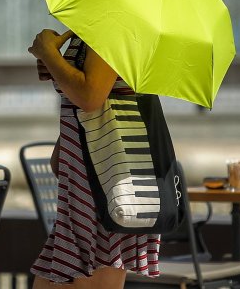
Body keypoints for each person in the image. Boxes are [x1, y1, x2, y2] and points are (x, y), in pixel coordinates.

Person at [27, 28, 160, 289]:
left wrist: (48, 53)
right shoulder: (91, 29)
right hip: (94, 182)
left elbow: (90, 97)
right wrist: (55, 62)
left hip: (103, 184)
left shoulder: (111, 28)